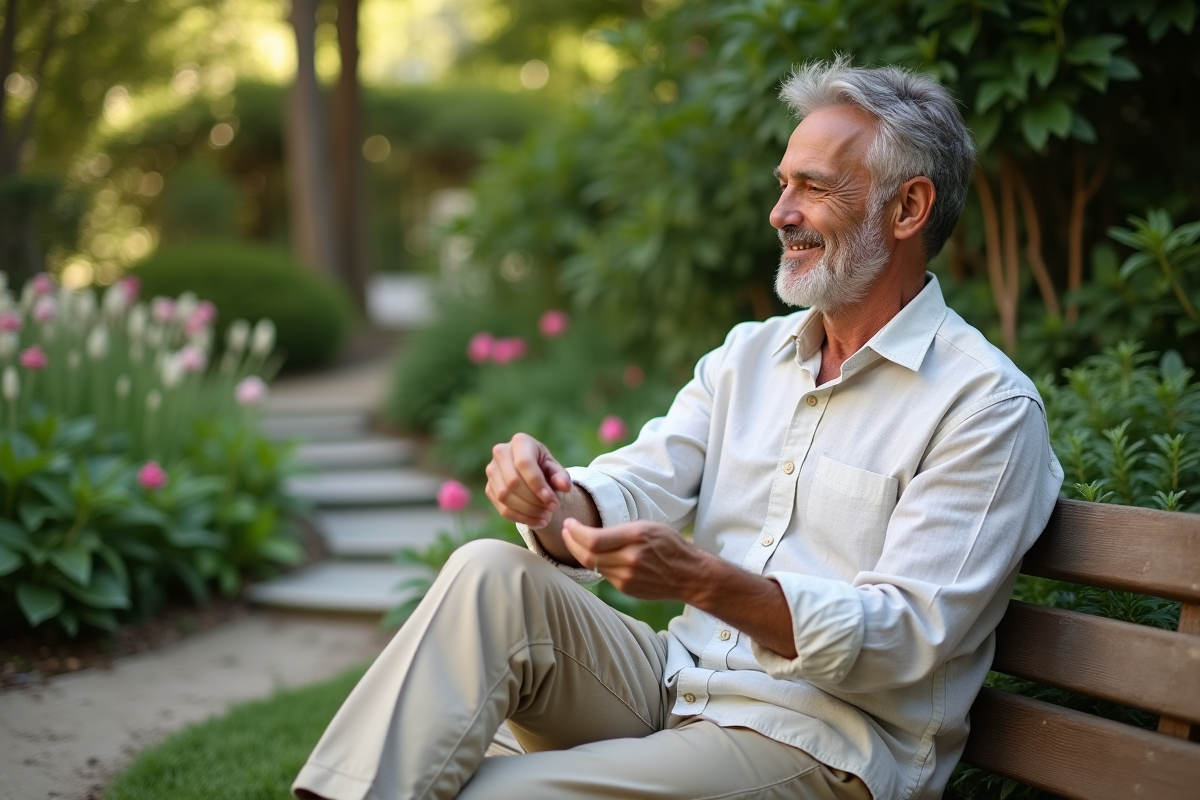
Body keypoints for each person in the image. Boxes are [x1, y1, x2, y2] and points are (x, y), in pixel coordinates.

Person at [292, 56, 1063, 800]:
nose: (781, 213)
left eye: (814, 187)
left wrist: (705, 582)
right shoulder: (747, 359)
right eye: (783, 185)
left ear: (908, 209)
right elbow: (636, 484)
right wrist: (554, 498)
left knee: (469, 787)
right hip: (674, 687)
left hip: (824, 746)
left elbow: (906, 637)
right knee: (490, 572)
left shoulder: (983, 407)